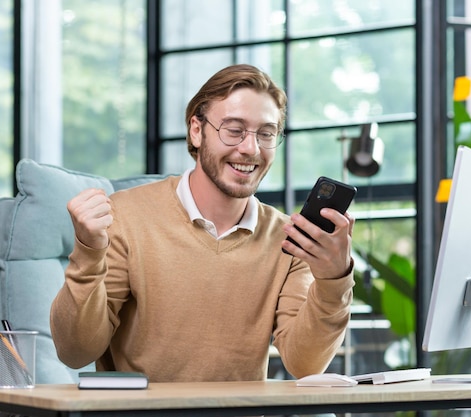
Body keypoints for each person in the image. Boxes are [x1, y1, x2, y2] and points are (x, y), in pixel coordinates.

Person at [50, 64, 355, 382]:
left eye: (266, 134)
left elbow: (305, 364)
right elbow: (75, 351)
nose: (250, 149)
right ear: (196, 130)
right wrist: (88, 253)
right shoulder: (124, 217)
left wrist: (333, 280)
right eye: (234, 130)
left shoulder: (291, 240)